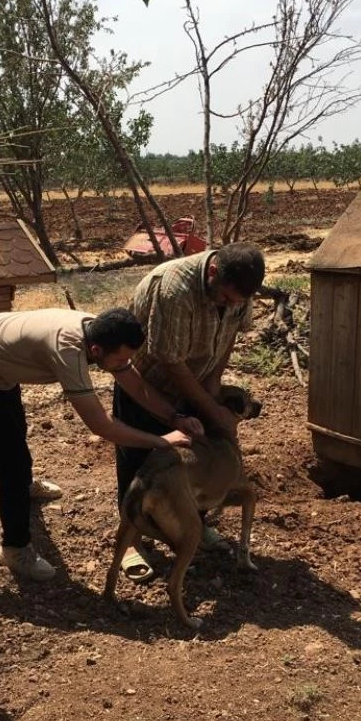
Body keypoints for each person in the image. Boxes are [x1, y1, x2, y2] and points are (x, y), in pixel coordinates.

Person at [0, 307, 203, 581]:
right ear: (97, 350)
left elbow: (135, 385)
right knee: (11, 461)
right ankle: (14, 549)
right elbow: (100, 425)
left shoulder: (99, 331)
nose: (126, 363)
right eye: (122, 358)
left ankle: (25, 489)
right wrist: (161, 441)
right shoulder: (68, 351)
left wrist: (175, 417)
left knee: (17, 433)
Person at [113, 242, 265, 580]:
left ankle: (193, 522)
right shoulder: (174, 288)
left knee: (199, 456)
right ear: (213, 273)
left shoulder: (239, 288)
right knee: (139, 460)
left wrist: (212, 387)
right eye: (225, 299)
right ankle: (132, 541)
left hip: (194, 385)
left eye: (237, 302)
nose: (230, 306)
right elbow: (170, 362)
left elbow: (228, 339)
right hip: (147, 385)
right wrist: (209, 405)